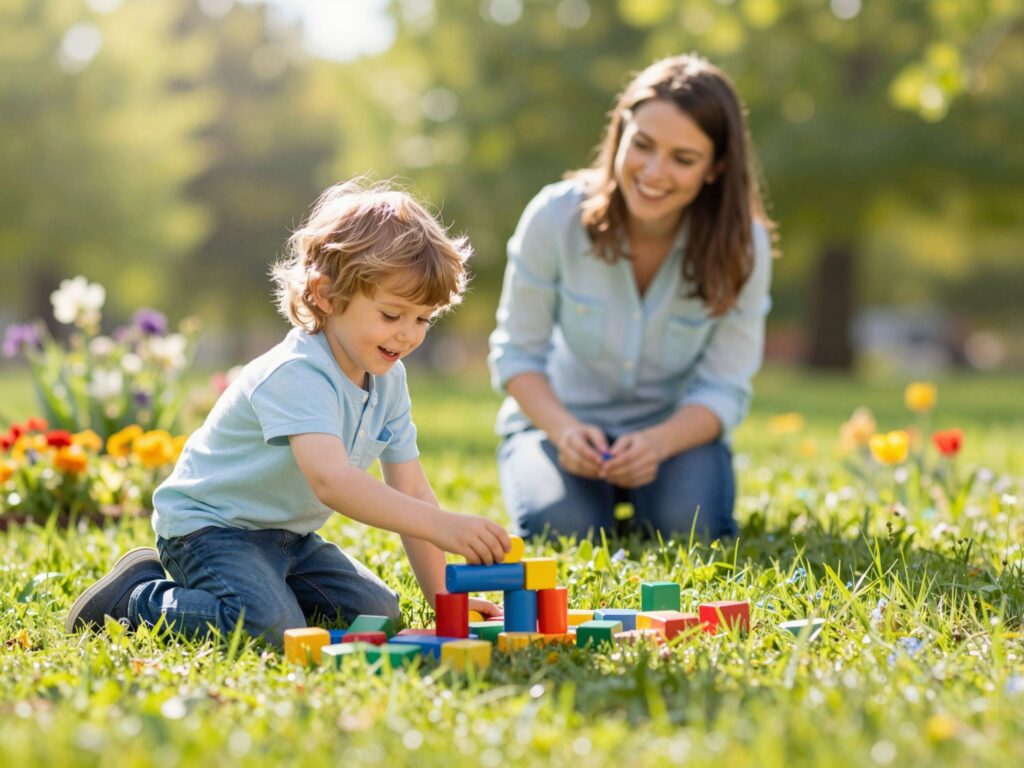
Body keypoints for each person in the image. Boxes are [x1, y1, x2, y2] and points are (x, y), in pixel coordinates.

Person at [66, 179, 510, 645]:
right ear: (325, 294)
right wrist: (443, 527)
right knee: (271, 629)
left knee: (378, 611)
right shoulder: (297, 372)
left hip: (288, 539)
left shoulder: (388, 380)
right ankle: (135, 597)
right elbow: (331, 481)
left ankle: (267, 588)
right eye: (391, 315)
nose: (408, 335)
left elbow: (413, 489)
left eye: (422, 319)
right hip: (210, 530)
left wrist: (442, 595)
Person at [488, 53, 776, 542]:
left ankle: (654, 492)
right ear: (621, 133)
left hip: (676, 435)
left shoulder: (744, 246)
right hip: (560, 422)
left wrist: (658, 444)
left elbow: (725, 387)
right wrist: (562, 430)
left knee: (691, 528)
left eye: (683, 159)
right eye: (642, 145)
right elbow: (517, 353)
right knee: (564, 529)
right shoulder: (554, 217)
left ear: (715, 167)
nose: (654, 171)